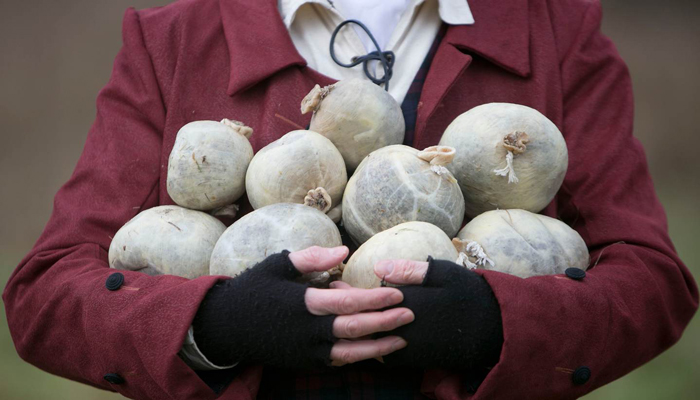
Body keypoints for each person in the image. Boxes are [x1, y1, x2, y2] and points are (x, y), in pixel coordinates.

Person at [3, 0, 698, 399]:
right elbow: (46, 295)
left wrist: (497, 322)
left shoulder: (558, 29)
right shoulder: (173, 36)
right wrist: (213, 323)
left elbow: (651, 282)